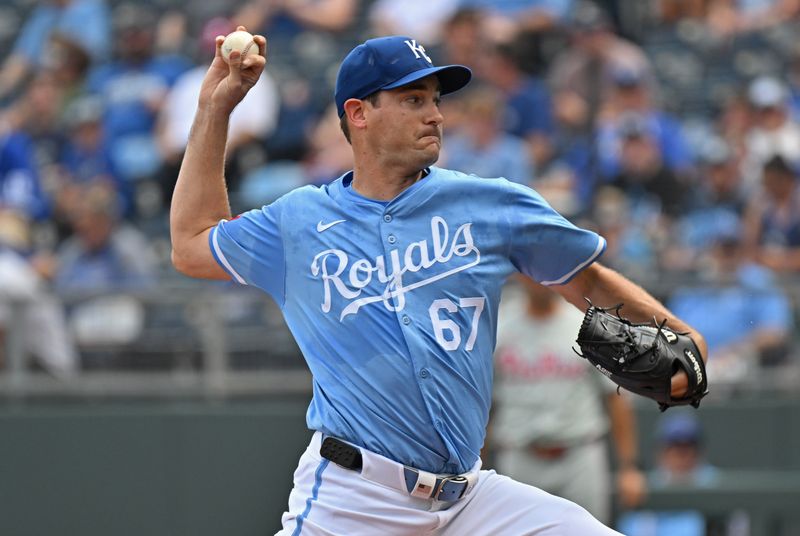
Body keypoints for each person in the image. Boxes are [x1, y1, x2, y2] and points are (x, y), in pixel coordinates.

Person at [169, 30, 708, 534]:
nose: (434, 115)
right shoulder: (298, 224)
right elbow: (193, 243)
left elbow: (583, 277)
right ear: (358, 113)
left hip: (469, 501)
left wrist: (684, 335)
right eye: (412, 100)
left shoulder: (489, 203)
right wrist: (216, 108)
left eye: (434, 99)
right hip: (353, 500)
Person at [488, 276, 646, 525]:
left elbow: (615, 399)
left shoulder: (586, 325)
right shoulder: (498, 326)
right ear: (519, 274)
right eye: (532, 271)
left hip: (579, 455)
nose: (540, 280)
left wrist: (629, 467)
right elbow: (485, 406)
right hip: (520, 456)